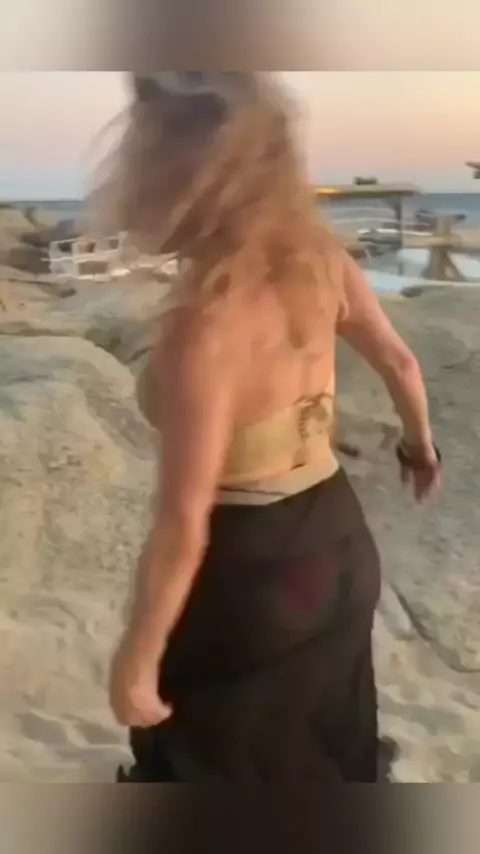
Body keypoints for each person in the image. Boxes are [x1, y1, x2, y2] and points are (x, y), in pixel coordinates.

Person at [93, 73, 442, 782]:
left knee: (213, 754)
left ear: (181, 178)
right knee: (322, 738)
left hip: (251, 569)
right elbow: (401, 364)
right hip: (339, 538)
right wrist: (419, 447)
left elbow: (184, 523)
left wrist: (137, 658)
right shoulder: (322, 261)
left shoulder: (203, 329)